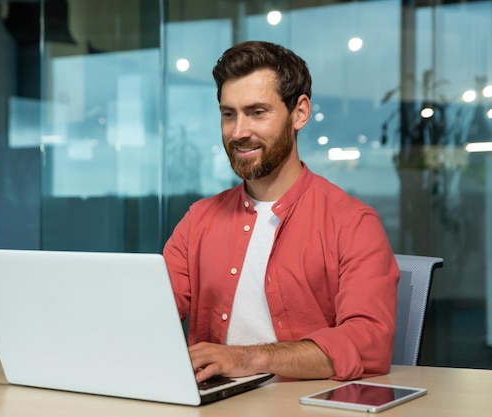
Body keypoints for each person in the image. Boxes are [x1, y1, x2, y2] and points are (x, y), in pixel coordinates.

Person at [163, 41, 399, 383]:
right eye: (229, 114)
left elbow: (370, 342)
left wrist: (247, 358)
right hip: (212, 404)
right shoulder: (198, 220)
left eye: (258, 112)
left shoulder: (352, 222)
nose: (239, 132)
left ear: (299, 113)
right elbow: (148, 316)